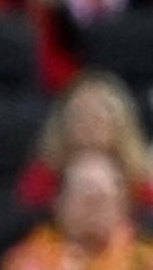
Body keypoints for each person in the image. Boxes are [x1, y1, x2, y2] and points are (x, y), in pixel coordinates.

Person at [0, 150, 153, 270]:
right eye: (86, 199)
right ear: (60, 203)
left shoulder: (144, 254)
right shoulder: (35, 252)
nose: (95, 210)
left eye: (103, 199)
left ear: (123, 205)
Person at [23, 71, 153, 213]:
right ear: (64, 124)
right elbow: (27, 220)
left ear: (120, 124)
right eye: (81, 118)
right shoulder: (45, 175)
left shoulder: (137, 177)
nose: (89, 126)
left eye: (97, 118)